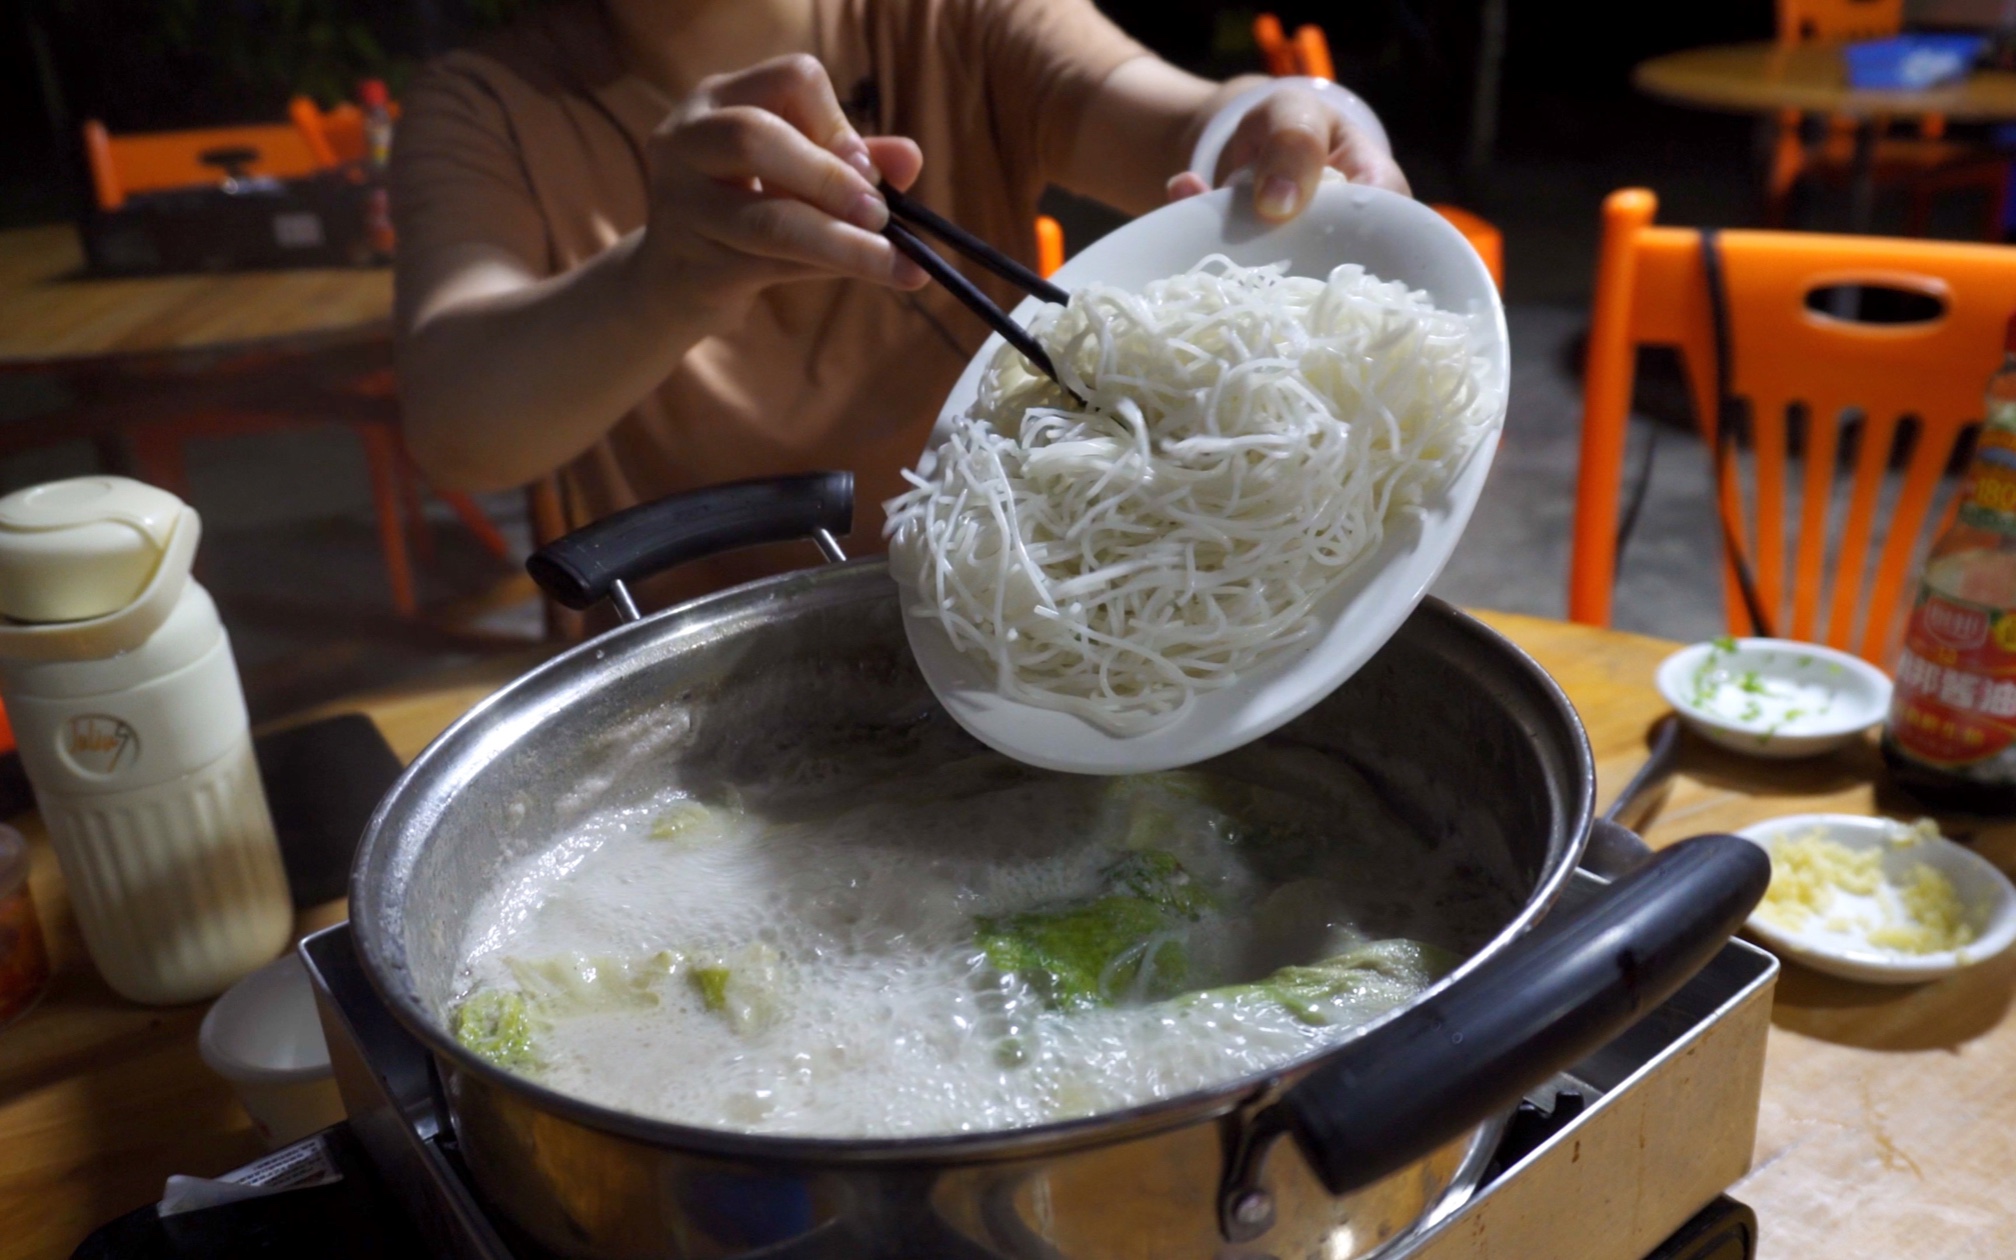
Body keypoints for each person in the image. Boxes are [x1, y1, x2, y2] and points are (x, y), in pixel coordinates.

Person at [392, 0, 1408, 606]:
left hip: (1043, 602)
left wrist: (1285, 129)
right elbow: (462, 425)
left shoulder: (948, 17)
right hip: (703, 656)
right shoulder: (483, 106)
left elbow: (1176, 116)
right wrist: (667, 272)